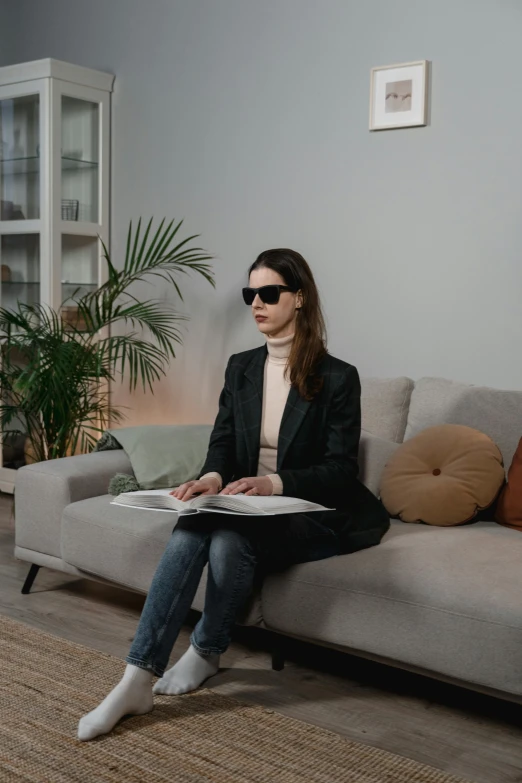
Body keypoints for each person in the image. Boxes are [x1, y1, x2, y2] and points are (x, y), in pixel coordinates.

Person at [77, 248, 390, 741]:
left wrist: (274, 483)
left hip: (316, 512)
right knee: (206, 530)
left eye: (270, 293)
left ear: (300, 298)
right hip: (247, 507)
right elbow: (222, 442)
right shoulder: (242, 366)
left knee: (225, 536)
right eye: (251, 294)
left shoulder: (337, 377)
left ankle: (204, 651)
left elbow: (339, 470)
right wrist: (212, 479)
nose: (257, 303)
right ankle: (137, 677)